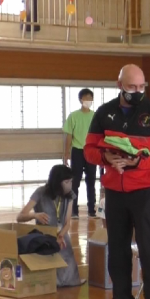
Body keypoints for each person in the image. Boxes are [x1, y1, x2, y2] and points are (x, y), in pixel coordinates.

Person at [84, 64, 150, 299]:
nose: (137, 91)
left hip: (146, 190)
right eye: (131, 87)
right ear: (119, 85)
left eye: (141, 87)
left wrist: (139, 163)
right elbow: (89, 149)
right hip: (114, 191)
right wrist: (105, 157)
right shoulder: (104, 113)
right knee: (117, 247)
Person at [16, 165, 84, 287]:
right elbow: (20, 217)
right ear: (58, 182)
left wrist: (61, 235)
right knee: (48, 272)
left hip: (61, 235)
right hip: (44, 236)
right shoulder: (40, 193)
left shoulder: (70, 195)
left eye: (71, 181)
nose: (70, 185)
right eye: (67, 182)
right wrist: (34, 215)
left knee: (69, 276)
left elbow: (68, 222)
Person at [64, 88, 99, 219]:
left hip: (91, 151)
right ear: (80, 100)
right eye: (86, 98)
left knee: (91, 181)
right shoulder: (73, 116)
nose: (88, 101)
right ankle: (74, 211)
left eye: (90, 98)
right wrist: (66, 152)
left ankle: (91, 210)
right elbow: (68, 135)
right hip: (77, 151)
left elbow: (99, 135)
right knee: (75, 182)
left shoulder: (95, 116)